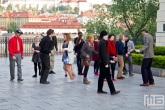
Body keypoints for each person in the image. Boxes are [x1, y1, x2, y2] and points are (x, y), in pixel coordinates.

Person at [97, 30, 120, 95]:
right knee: (108, 77)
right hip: (104, 63)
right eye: (106, 35)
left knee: (101, 76)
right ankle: (112, 91)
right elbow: (104, 54)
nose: (107, 36)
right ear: (103, 36)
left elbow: (105, 54)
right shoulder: (103, 43)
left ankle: (99, 89)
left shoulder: (101, 42)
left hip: (102, 62)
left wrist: (111, 57)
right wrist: (106, 63)